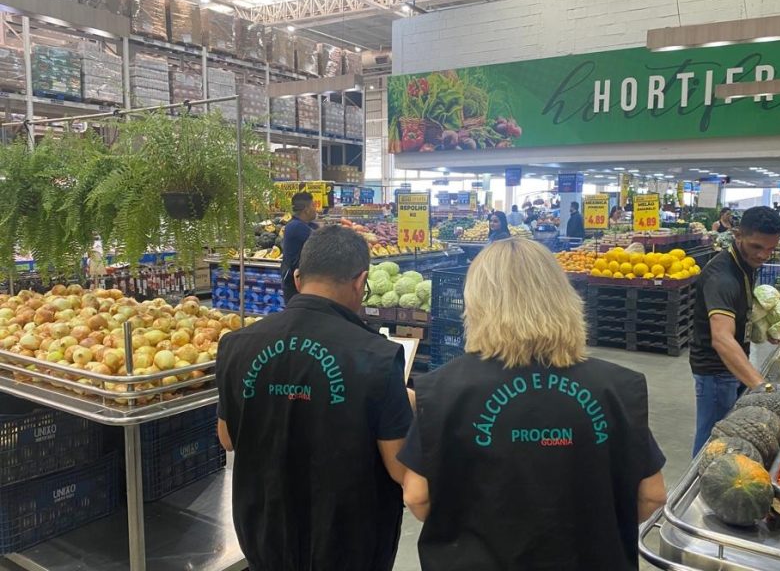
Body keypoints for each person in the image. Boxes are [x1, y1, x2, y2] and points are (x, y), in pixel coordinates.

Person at [398, 238, 667, 571]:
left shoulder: (442, 390)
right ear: (564, 298)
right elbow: (652, 495)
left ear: (477, 303)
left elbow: (418, 497)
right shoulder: (616, 388)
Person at [216, 226, 413, 571]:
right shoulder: (377, 357)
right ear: (359, 281)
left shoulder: (236, 344)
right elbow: (399, 467)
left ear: (296, 277)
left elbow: (227, 438)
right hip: (347, 543)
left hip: (264, 535)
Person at [690, 206, 780, 456]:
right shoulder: (721, 276)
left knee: (727, 435)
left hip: (732, 366)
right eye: (756, 247)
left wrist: (764, 327)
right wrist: (762, 386)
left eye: (770, 248)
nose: (763, 255)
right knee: (713, 439)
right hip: (715, 371)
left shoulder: (744, 263)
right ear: (738, 235)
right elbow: (721, 338)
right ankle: (697, 486)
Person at [281, 192, 318, 305]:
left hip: (301, 280)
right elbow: (322, 240)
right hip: (295, 283)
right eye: (313, 205)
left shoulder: (306, 225)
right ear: (306, 209)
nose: (316, 208)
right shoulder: (296, 226)